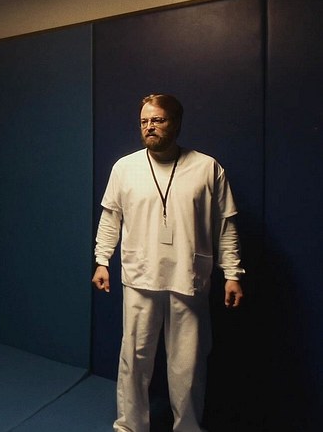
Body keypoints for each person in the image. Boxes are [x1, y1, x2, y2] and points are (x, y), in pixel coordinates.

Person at [92, 94, 244, 432]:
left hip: (188, 277)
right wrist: (102, 260)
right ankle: (130, 426)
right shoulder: (125, 168)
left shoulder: (207, 167)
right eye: (144, 121)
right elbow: (110, 218)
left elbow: (225, 224)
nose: (149, 127)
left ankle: (188, 427)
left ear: (175, 123)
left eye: (158, 120)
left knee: (188, 365)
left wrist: (232, 273)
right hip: (139, 275)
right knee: (134, 359)